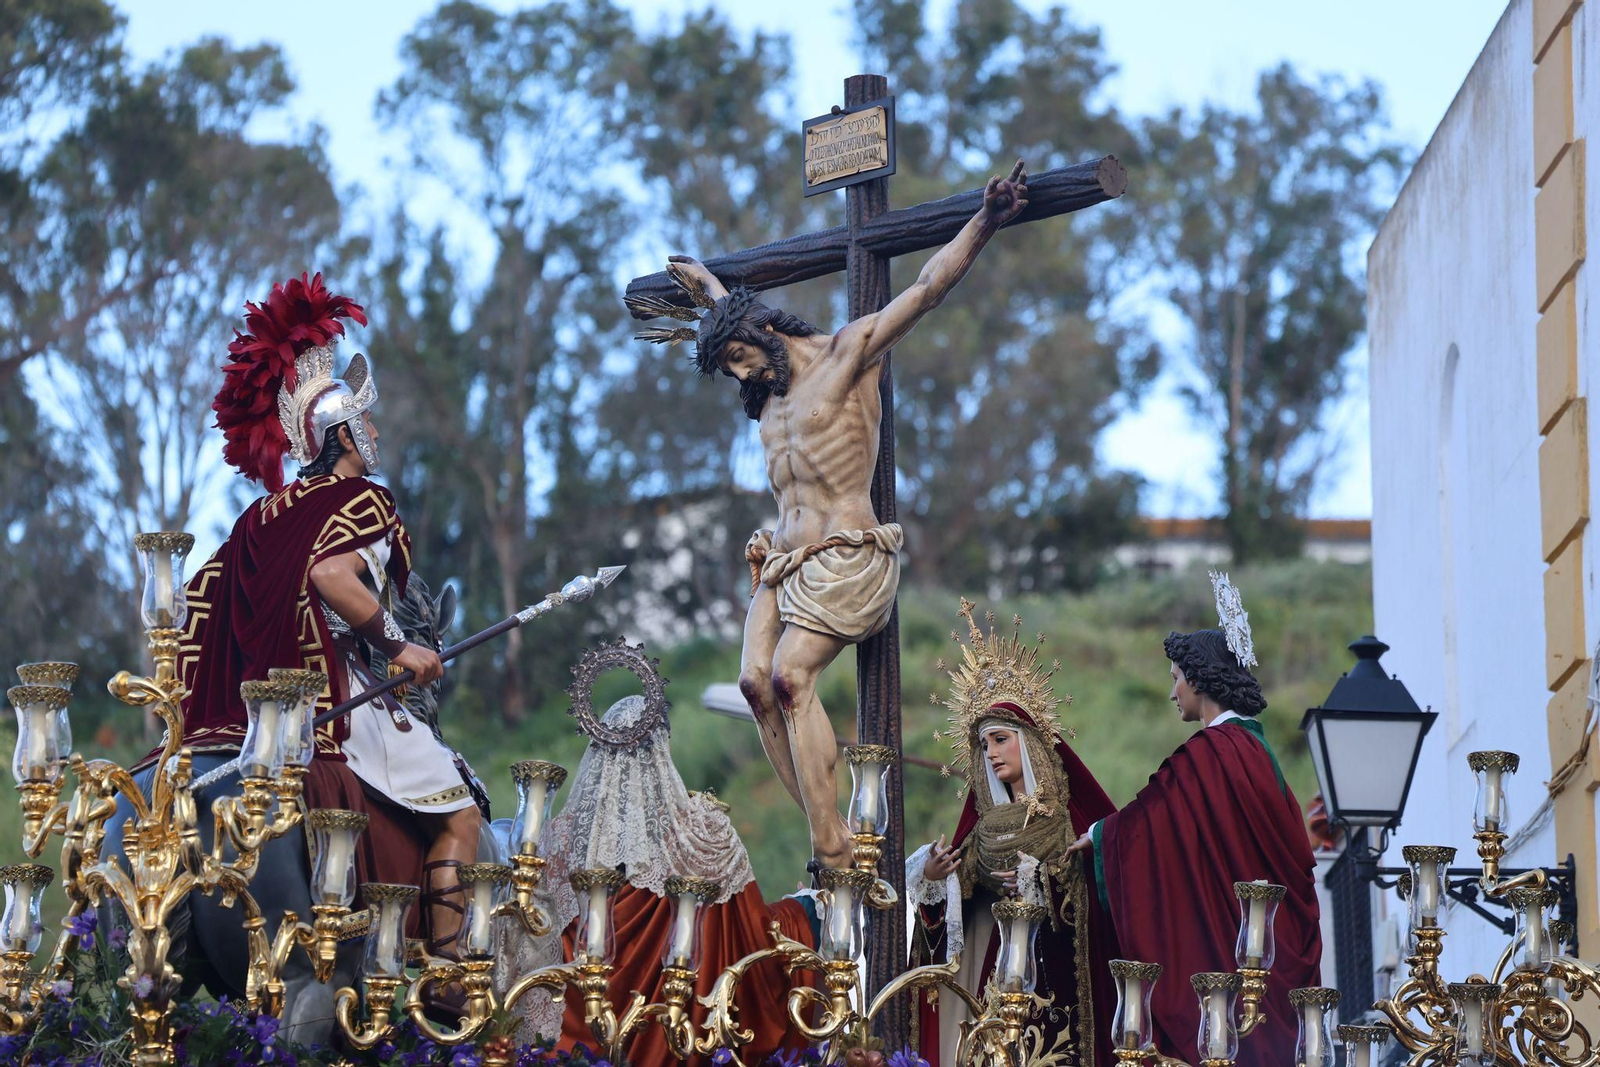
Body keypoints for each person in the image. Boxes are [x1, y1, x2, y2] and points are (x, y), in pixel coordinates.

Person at [629, 161, 1032, 868]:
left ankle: (832, 847)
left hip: (848, 555)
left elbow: (927, 289)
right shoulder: (765, 388)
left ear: (764, 332)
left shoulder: (848, 356)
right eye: (731, 369)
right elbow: (732, 315)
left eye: (742, 359)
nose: (743, 376)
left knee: (790, 677)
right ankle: (832, 825)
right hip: (784, 560)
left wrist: (987, 219)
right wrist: (710, 288)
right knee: (755, 685)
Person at [179, 272, 482, 971]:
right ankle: (447, 972)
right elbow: (329, 576)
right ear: (341, 434)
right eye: (366, 423)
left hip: (245, 711)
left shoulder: (261, 514)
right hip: (329, 702)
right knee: (461, 808)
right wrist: (400, 646)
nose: (375, 433)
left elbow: (198, 598)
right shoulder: (364, 499)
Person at [1067, 573, 1321, 1066]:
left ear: (1199, 680)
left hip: (1239, 953)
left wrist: (1100, 836)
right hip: (1271, 949)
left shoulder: (1215, 752)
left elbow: (1155, 818)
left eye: (1176, 679)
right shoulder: (1255, 748)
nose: (1173, 692)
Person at [501, 688, 815, 1067]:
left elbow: (519, 955)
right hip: (676, 1042)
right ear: (663, 750)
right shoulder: (703, 839)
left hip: (566, 1053)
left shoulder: (551, 849)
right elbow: (755, 949)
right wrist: (805, 910)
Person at [906, 599, 1118, 1067]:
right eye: (985, 745)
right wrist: (937, 881)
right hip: (997, 985)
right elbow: (950, 929)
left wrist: (1043, 881)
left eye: (1001, 739)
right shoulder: (981, 831)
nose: (992, 754)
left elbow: (1106, 890)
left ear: (1029, 742)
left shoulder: (1068, 818)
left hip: (1061, 984)